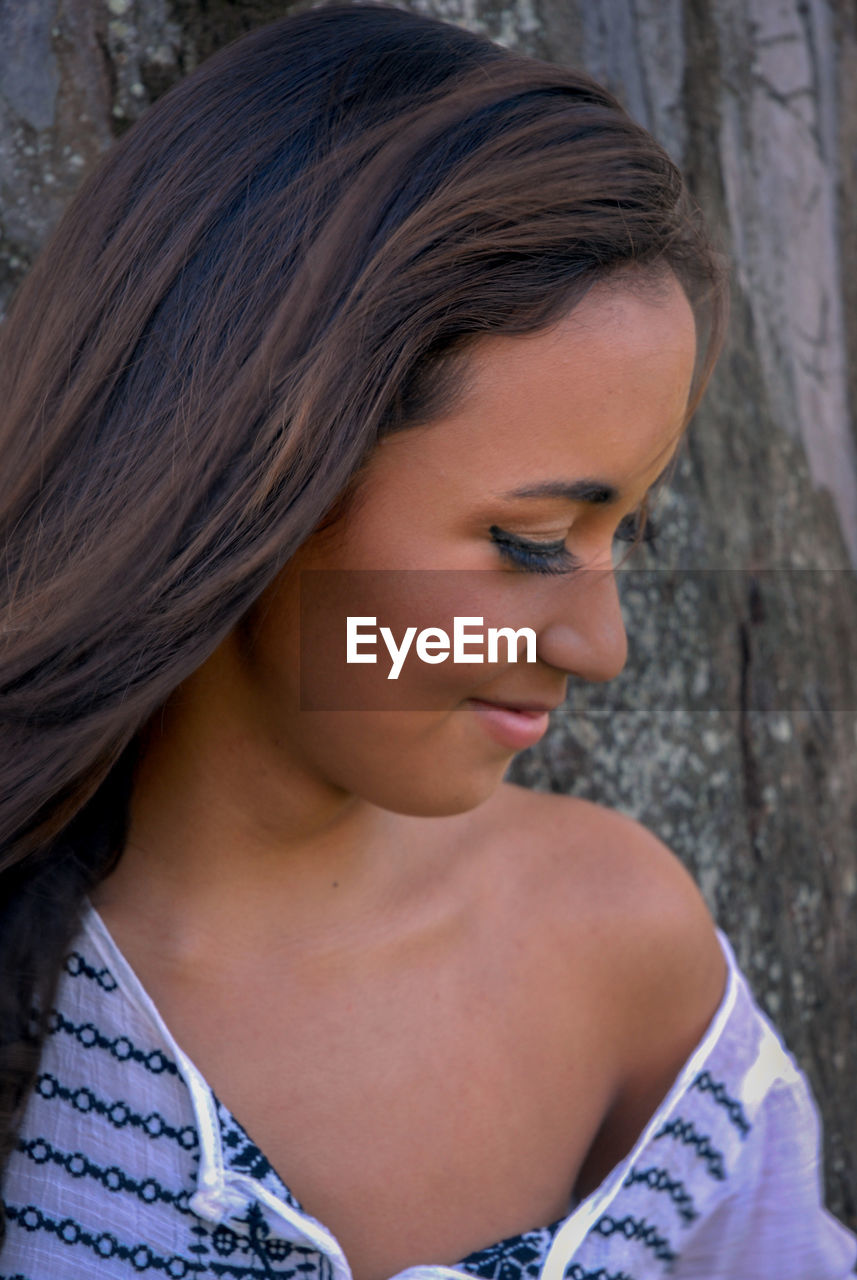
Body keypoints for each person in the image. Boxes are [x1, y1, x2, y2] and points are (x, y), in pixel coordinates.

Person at [0, 5, 854, 1278]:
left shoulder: (625, 953)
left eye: (626, 529)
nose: (599, 643)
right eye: (525, 540)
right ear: (251, 478)